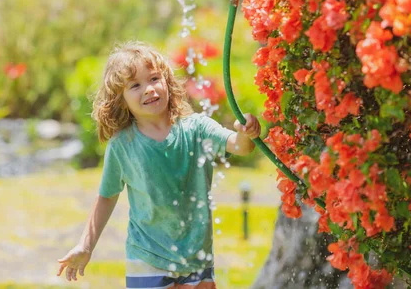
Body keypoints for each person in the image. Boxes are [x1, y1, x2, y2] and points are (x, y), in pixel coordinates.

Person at [57, 41, 261, 288]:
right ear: (121, 100)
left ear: (167, 82)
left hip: (196, 254)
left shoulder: (197, 128)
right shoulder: (123, 145)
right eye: (135, 85)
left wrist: (246, 133)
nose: (149, 89)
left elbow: (239, 146)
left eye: (154, 78)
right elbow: (107, 197)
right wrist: (85, 245)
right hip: (147, 257)